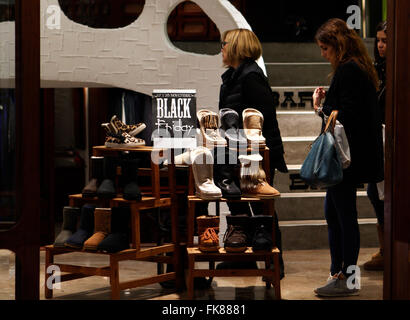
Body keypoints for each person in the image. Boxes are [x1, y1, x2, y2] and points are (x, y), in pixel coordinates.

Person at [312, 18, 384, 297]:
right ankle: (339, 272)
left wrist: (323, 108)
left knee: (343, 215)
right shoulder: (357, 67)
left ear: (337, 45)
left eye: (324, 48)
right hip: (352, 156)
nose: (323, 54)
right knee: (336, 212)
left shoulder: (349, 70)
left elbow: (348, 116)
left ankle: (347, 276)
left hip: (346, 159)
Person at [215, 28, 288, 276]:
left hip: (257, 156)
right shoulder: (234, 76)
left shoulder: (251, 77)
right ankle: (243, 258)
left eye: (224, 43)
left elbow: (263, 121)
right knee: (238, 205)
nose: (221, 48)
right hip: (237, 153)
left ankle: (274, 265)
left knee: (262, 209)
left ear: (236, 46)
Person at [363, 21, 387, 271]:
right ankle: (385, 249)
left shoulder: (397, 70)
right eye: (378, 40)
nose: (380, 45)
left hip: (392, 141)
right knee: (374, 193)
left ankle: (390, 249)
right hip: (377, 139)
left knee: (383, 195)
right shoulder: (377, 69)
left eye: (385, 41)